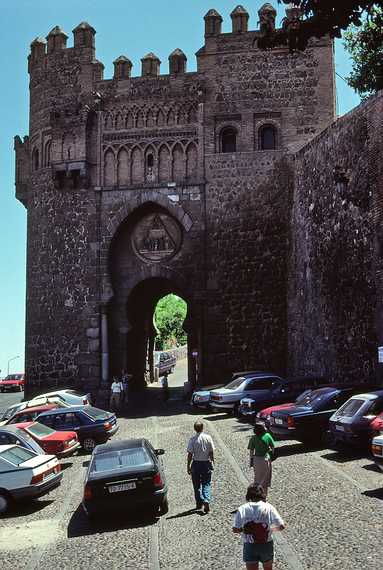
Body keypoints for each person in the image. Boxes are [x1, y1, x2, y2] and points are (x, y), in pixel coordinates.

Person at [233, 483, 285, 570]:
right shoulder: (269, 507)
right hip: (266, 545)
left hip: (250, 545)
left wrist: (244, 530)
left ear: (248, 495)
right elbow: (282, 526)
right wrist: (270, 529)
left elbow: (235, 529)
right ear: (262, 494)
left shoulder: (242, 508)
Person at [187, 421, 215, 513]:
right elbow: (211, 451)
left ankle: (199, 503)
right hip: (206, 463)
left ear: (195, 429)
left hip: (196, 464)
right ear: (203, 428)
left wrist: (188, 465)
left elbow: (190, 454)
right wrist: (212, 461)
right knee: (206, 483)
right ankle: (206, 499)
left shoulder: (192, 440)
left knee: (196, 485)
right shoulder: (208, 438)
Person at [248, 423, 275, 495]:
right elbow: (272, 448)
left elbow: (251, 451)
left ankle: (256, 495)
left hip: (256, 460)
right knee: (265, 479)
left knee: (257, 478)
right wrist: (271, 455)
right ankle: (264, 496)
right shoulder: (268, 436)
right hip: (266, 459)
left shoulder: (253, 438)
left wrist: (251, 461)